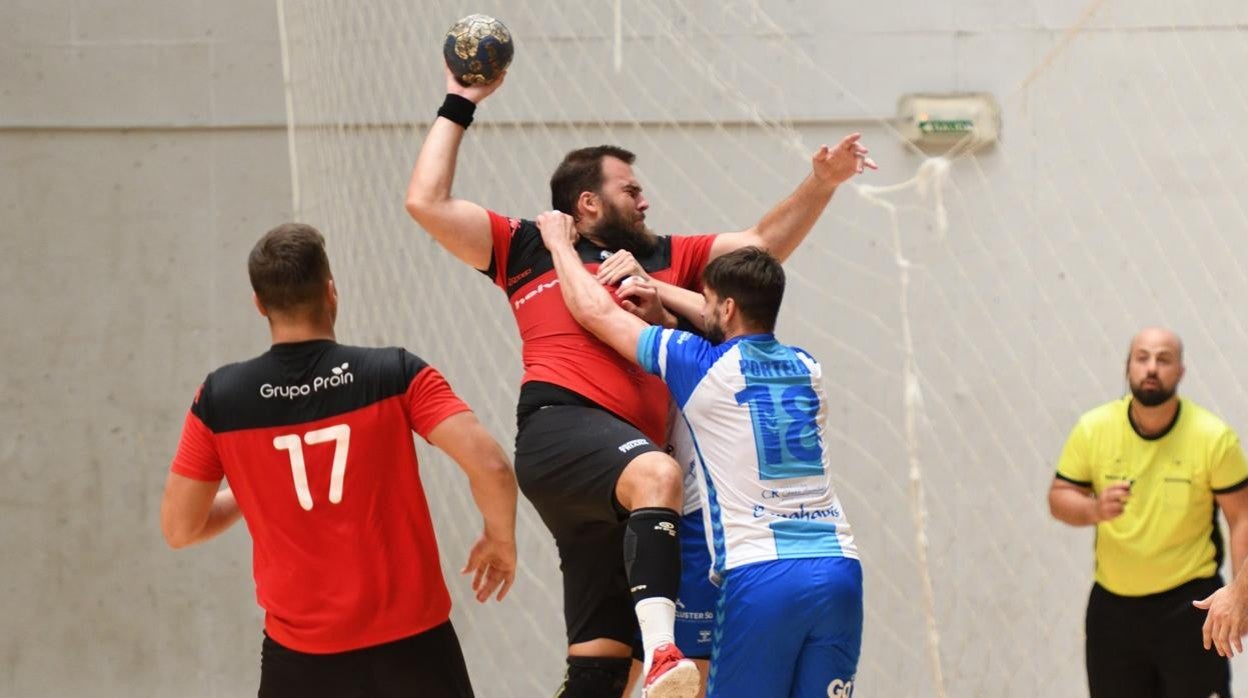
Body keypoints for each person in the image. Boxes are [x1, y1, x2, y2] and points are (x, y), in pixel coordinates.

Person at [405, 68, 874, 698]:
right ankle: (661, 654)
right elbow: (426, 203)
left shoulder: (667, 257)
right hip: (569, 433)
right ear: (588, 203)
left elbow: (759, 251)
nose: (645, 201)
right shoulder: (527, 245)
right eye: (632, 190)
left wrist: (820, 185)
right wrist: (459, 101)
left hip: (628, 490)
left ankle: (645, 658)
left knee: (598, 673)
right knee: (659, 475)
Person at [160, 223, 518, 698]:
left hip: (300, 659)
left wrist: (259, 485)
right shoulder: (394, 373)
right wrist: (499, 538)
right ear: (331, 292)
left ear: (259, 304)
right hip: (415, 647)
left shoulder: (220, 399)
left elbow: (181, 528)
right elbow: (490, 466)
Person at [535, 214, 863, 697]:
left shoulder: (701, 364)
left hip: (761, 573)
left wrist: (559, 246)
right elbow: (739, 321)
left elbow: (596, 315)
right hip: (838, 567)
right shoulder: (807, 366)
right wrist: (664, 292)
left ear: (726, 307)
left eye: (708, 301)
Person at [1048, 327, 1248, 698]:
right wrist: (1093, 508)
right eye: (1142, 358)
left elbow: (1242, 517)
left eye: (1164, 359)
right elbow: (1060, 496)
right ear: (1128, 367)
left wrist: (1241, 593)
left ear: (1181, 372)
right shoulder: (1094, 429)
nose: (1152, 367)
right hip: (1114, 610)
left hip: (1190, 606)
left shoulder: (1213, 437)